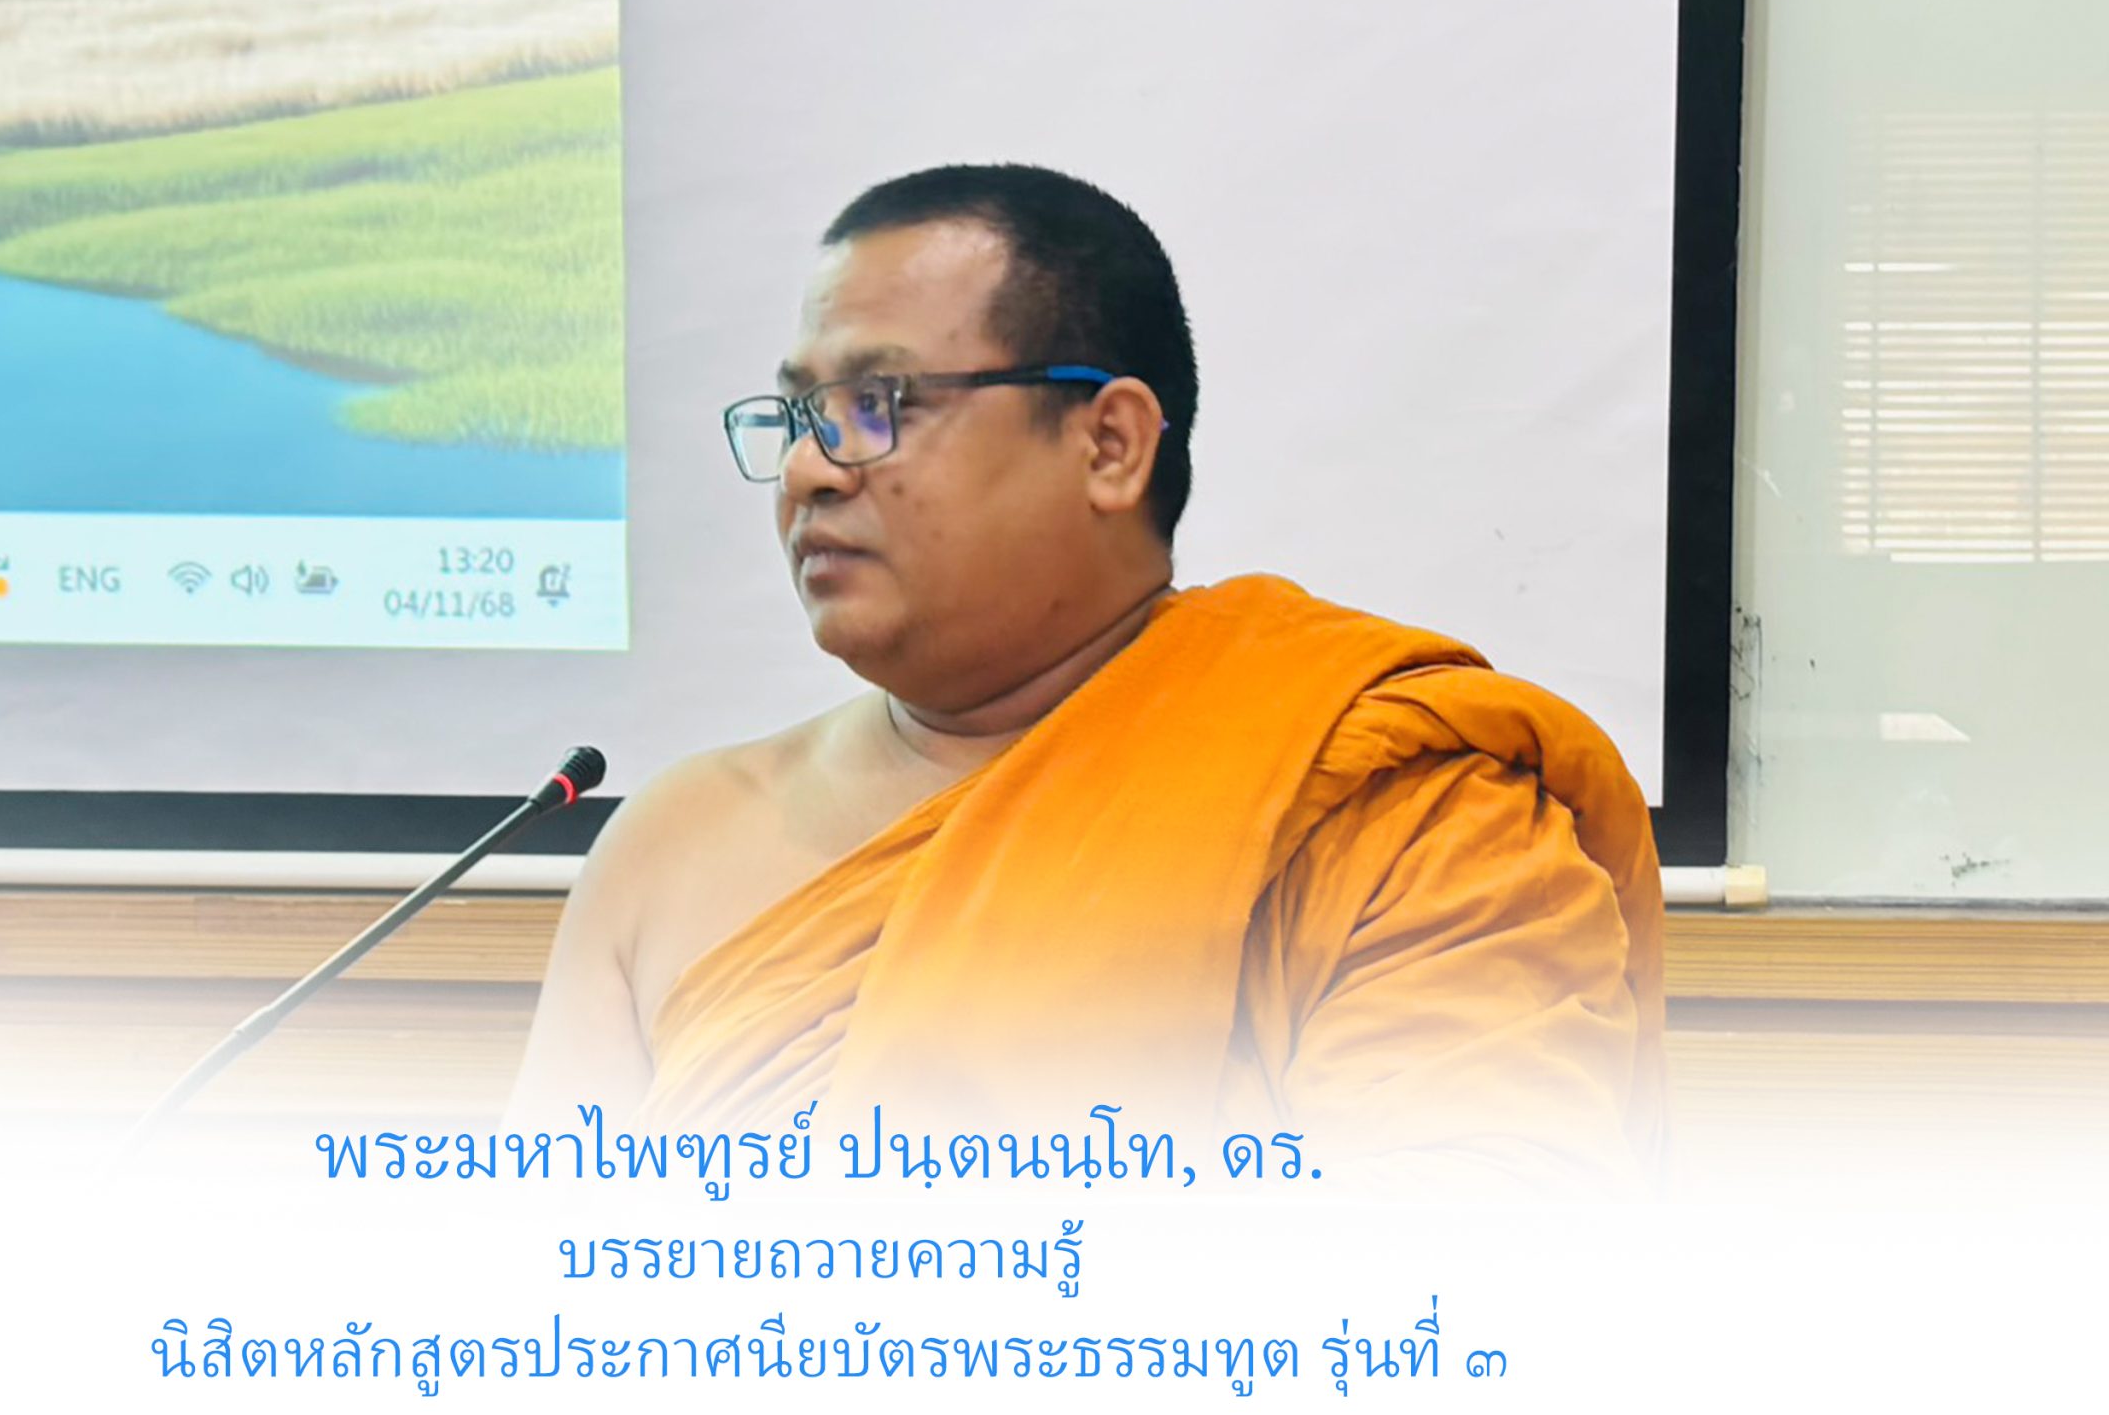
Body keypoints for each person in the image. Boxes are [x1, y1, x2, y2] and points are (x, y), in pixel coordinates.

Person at [511, 164, 1665, 1195]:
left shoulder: (1402, 808)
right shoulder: (672, 843)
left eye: (876, 406)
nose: (809, 469)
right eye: (800, 415)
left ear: (1109, 444)